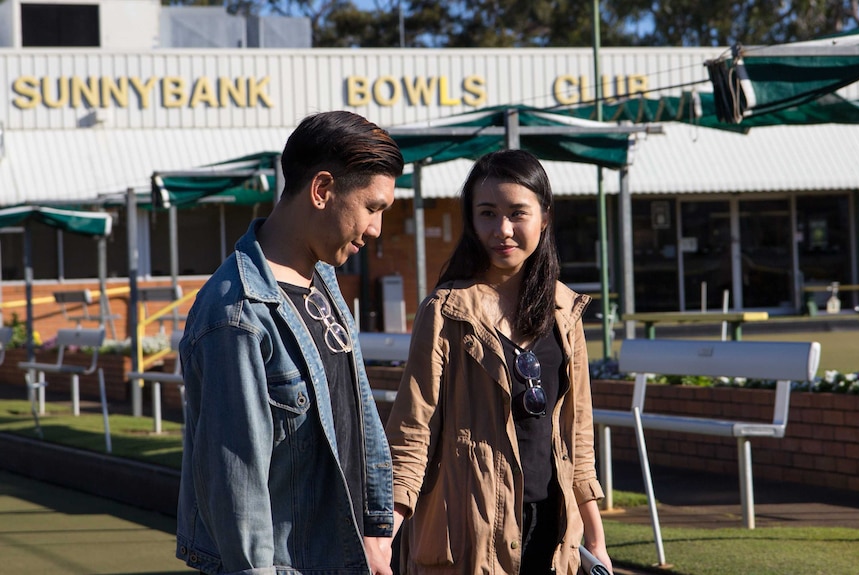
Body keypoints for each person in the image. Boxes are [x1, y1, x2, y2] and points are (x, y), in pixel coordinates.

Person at [175, 110, 404, 575]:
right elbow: (237, 490)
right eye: (372, 208)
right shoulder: (236, 315)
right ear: (322, 190)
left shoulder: (322, 277)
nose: (377, 229)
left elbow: (352, 417)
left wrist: (376, 534)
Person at [384, 149, 613, 574]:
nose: (502, 230)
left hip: (553, 531)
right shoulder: (446, 311)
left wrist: (596, 540)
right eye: (487, 213)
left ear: (544, 217)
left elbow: (577, 438)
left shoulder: (565, 311)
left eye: (517, 213)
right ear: (471, 221)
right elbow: (412, 431)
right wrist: (383, 537)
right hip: (471, 531)